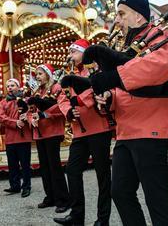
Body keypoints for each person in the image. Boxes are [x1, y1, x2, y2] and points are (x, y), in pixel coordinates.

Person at [92, 0, 168, 226]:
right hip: (127, 130)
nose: (117, 20)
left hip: (152, 127)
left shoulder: (161, 38)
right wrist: (108, 98)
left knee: (156, 197)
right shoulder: (129, 46)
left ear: (138, 15)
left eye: (121, 14)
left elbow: (158, 67)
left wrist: (113, 77)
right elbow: (124, 90)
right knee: (120, 191)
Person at [55, 39, 113, 226]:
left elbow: (97, 88)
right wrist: (68, 111)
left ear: (85, 52)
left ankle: (102, 219)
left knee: (102, 176)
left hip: (98, 128)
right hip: (80, 132)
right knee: (72, 170)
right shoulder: (71, 75)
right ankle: (77, 215)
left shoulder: (98, 70)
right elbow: (62, 98)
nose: (70, 55)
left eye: (73, 52)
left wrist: (78, 101)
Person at [27, 64, 70, 213]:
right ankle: (50, 196)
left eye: (40, 74)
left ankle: (63, 199)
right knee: (44, 167)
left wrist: (45, 114)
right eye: (36, 74)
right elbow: (30, 110)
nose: (37, 76)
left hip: (52, 131)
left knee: (54, 166)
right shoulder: (37, 91)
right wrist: (31, 118)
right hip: (39, 132)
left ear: (48, 74)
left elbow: (62, 108)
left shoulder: (56, 88)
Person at [0, 78, 33, 198]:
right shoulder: (3, 103)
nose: (10, 88)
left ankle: (26, 186)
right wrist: (14, 122)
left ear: (18, 86)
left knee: (25, 164)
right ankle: (15, 185)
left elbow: (31, 112)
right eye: (8, 86)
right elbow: (1, 116)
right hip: (10, 138)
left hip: (24, 137)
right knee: (12, 164)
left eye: (12, 85)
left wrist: (26, 117)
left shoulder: (26, 100)